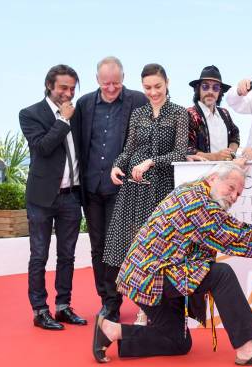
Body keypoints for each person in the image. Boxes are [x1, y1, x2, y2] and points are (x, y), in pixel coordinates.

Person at [92, 160, 252, 365]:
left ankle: (111, 330)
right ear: (213, 179)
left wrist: (235, 165)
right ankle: (247, 348)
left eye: (238, 194)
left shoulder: (193, 189)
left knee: (178, 342)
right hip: (153, 277)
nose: (233, 197)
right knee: (221, 273)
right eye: (231, 188)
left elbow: (226, 216)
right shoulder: (200, 204)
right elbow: (243, 237)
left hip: (146, 275)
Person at [103, 63, 188, 324]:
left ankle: (152, 310)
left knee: (159, 250)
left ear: (167, 83)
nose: (153, 92)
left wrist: (152, 161)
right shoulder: (138, 113)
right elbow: (129, 149)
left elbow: (181, 153)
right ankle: (142, 305)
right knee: (135, 250)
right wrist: (117, 165)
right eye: (148, 87)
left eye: (157, 87)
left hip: (162, 190)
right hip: (134, 190)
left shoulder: (179, 113)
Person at [74, 56, 147, 322]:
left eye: (116, 82)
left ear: (124, 78)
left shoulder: (138, 100)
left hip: (123, 189)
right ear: (97, 80)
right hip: (92, 188)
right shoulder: (84, 105)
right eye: (106, 84)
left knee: (122, 245)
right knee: (98, 247)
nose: (112, 88)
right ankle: (109, 301)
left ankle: (139, 299)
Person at [19, 64, 86, 330]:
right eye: (63, 88)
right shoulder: (30, 114)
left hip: (71, 196)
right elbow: (42, 148)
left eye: (72, 88)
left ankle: (63, 306)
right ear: (50, 86)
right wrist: (62, 121)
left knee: (67, 255)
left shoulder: (77, 113)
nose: (68, 93)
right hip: (42, 198)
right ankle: (39, 310)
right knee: (39, 255)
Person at [186, 65, 240, 161]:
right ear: (198, 89)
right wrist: (215, 157)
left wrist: (230, 152)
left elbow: (235, 135)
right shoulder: (189, 114)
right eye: (205, 86)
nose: (210, 91)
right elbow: (187, 150)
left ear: (220, 91)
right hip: (200, 173)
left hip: (226, 171)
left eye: (215, 87)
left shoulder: (225, 113)